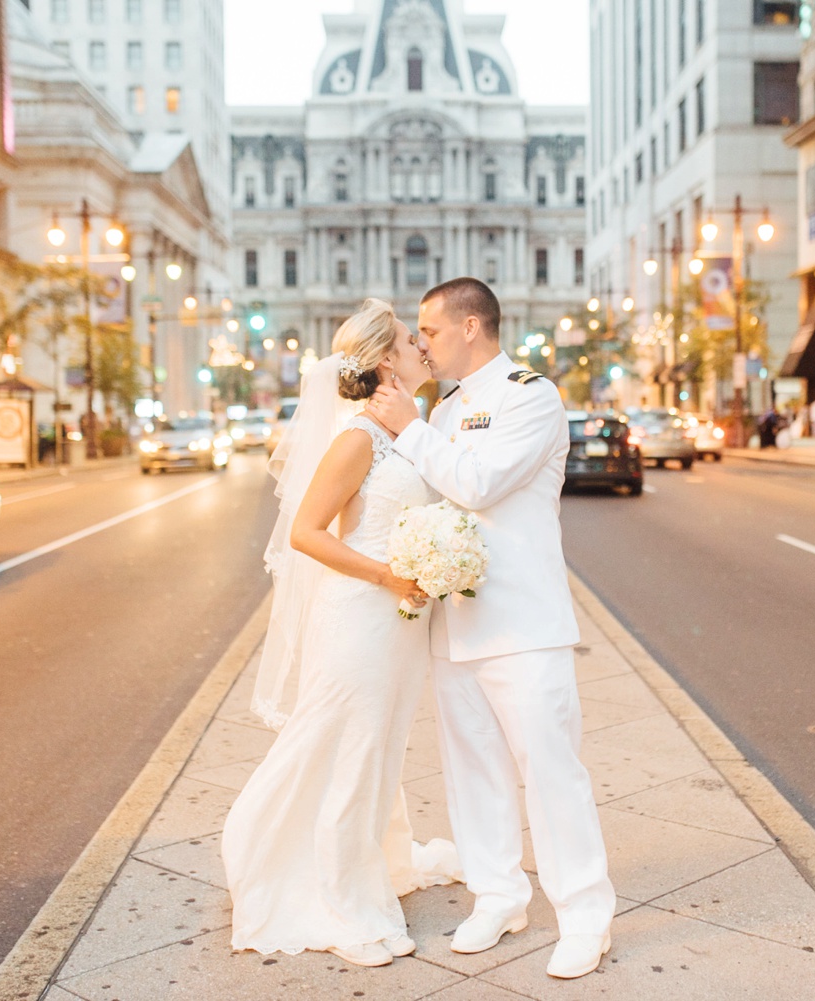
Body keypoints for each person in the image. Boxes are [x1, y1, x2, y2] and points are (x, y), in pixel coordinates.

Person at [369, 277, 616, 981]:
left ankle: (584, 914)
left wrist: (407, 427)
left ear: (472, 325)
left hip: (522, 619)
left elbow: (479, 485)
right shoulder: (444, 408)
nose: (424, 343)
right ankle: (499, 893)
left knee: (551, 772)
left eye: (433, 331)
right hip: (457, 619)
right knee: (471, 767)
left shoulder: (530, 394)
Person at [222, 299, 460, 969]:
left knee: (378, 748)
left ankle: (369, 860)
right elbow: (305, 532)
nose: (424, 349)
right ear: (388, 359)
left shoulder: (404, 430)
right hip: (360, 614)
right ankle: (337, 893)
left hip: (398, 619)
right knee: (348, 749)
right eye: (414, 341)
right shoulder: (356, 437)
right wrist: (388, 575)